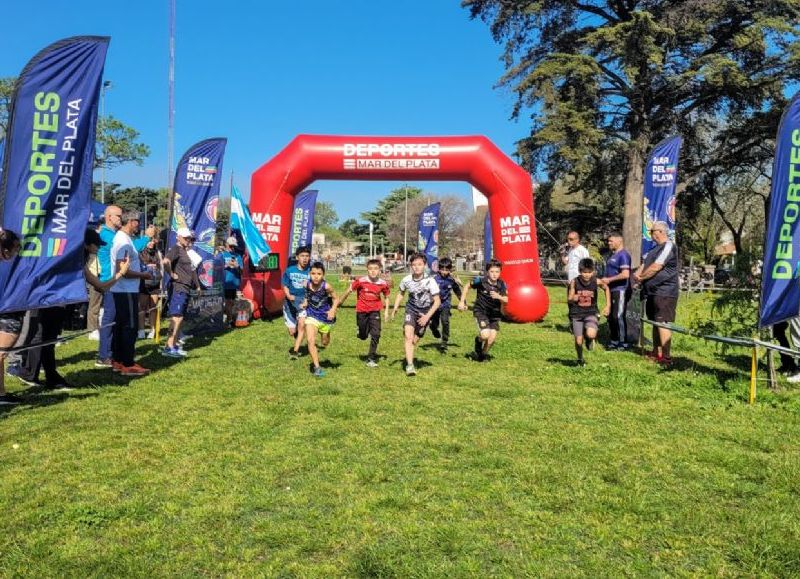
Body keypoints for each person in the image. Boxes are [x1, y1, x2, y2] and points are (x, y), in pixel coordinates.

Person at [96, 206, 153, 368]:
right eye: (118, 216)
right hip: (118, 285)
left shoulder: (120, 236)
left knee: (119, 323)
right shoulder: (114, 237)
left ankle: (117, 358)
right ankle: (115, 358)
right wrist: (143, 275)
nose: (121, 219)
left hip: (120, 285)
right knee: (123, 324)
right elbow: (124, 267)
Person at [633, 221, 679, 367]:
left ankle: (666, 357)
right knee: (654, 322)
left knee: (662, 322)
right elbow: (645, 264)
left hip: (665, 292)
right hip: (652, 292)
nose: (650, 234)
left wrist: (641, 278)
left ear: (660, 232)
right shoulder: (654, 248)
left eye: (651, 231)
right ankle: (656, 353)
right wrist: (636, 276)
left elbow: (656, 267)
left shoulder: (669, 246)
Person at [391, 253, 441, 376]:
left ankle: (420, 333)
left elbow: (437, 302)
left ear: (424, 265)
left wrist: (427, 317)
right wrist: (395, 307)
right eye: (414, 265)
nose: (416, 267)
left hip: (425, 313)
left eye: (419, 264)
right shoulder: (406, 280)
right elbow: (401, 293)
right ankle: (410, 366)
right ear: (410, 266)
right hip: (411, 310)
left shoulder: (430, 281)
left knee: (414, 340)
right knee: (408, 337)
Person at [336, 258, 390, 367]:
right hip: (361, 311)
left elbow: (387, 296)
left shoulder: (383, 283)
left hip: (375, 311)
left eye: (376, 269)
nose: (373, 271)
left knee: (376, 334)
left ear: (380, 270)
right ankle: (361, 331)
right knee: (363, 336)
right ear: (367, 270)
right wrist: (340, 302)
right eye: (370, 269)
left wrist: (386, 311)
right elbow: (349, 290)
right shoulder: (361, 281)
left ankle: (371, 358)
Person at [458, 259, 508, 362]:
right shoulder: (480, 281)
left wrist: (499, 297)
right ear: (487, 272)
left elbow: (506, 299)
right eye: (492, 271)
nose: (494, 274)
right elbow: (467, 286)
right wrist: (462, 301)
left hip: (494, 314)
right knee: (485, 335)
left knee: (491, 339)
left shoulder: (502, 284)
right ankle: (478, 340)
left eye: (497, 272)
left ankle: (481, 355)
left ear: (500, 272)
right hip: (481, 311)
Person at [162, 227, 201, 358]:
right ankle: (168, 347)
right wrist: (171, 273)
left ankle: (174, 345)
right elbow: (165, 261)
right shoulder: (176, 249)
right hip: (178, 288)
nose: (188, 240)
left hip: (185, 287)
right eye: (185, 238)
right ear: (178, 237)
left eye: (189, 238)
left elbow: (192, 270)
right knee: (176, 317)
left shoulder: (184, 251)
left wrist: (197, 286)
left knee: (180, 317)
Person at [568, 258, 611, 366]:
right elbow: (569, 298)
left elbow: (606, 288)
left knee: (591, 334)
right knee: (578, 341)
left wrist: (608, 306)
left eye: (589, 272)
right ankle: (580, 358)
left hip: (591, 312)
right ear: (579, 271)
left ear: (593, 271)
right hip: (577, 314)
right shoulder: (574, 282)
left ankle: (588, 339)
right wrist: (574, 298)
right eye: (584, 272)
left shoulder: (596, 281)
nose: (587, 275)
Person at [301, 262, 338, 377]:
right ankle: (317, 367)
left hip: (325, 317)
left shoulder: (327, 286)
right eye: (313, 274)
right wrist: (305, 302)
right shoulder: (306, 284)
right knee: (310, 340)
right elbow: (307, 295)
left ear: (323, 275)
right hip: (311, 315)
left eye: (319, 274)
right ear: (309, 274)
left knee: (325, 342)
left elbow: (336, 299)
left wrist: (332, 310)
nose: (316, 276)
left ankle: (326, 333)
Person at [0, 229, 23, 405]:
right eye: (15, 248)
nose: (17, 251)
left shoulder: (12, 265)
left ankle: (1, 393)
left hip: (9, 313)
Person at [600, 232, 632, 349]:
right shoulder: (612, 255)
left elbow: (625, 274)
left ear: (619, 241)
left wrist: (609, 279)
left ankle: (623, 342)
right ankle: (614, 340)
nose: (609, 243)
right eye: (608, 241)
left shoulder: (623, 255)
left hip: (620, 290)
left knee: (618, 316)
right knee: (611, 316)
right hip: (611, 290)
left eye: (611, 241)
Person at [282, 245, 312, 360]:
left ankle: (295, 351)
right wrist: (288, 295)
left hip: (303, 302)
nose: (305, 258)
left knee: (302, 325)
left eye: (307, 256)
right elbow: (285, 285)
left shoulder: (311, 272)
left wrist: (307, 296)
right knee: (292, 331)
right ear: (297, 257)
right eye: (302, 256)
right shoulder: (290, 270)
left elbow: (316, 288)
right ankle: (296, 335)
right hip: (289, 303)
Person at [429, 257, 462, 351]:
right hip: (435, 304)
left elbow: (457, 290)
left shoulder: (451, 280)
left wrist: (462, 301)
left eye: (447, 270)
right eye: (442, 269)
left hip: (446, 303)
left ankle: (444, 341)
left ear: (450, 269)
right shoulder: (434, 279)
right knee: (434, 323)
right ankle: (433, 328)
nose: (444, 272)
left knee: (445, 321)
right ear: (439, 269)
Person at [138, 233, 162, 340]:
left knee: (153, 306)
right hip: (143, 283)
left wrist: (161, 282)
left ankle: (152, 330)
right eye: (149, 241)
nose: (151, 243)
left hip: (155, 283)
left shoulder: (158, 253)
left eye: (153, 241)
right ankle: (141, 330)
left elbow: (161, 268)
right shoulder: (140, 252)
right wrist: (147, 267)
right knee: (142, 307)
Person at [221, 236, 243, 327]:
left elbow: (242, 271)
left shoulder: (238, 256)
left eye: (234, 246)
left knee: (231, 303)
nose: (232, 248)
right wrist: (226, 265)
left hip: (234, 284)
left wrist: (237, 266)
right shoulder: (222, 255)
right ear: (226, 244)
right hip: (225, 282)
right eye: (231, 246)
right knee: (228, 302)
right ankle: (229, 321)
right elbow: (216, 268)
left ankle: (228, 319)